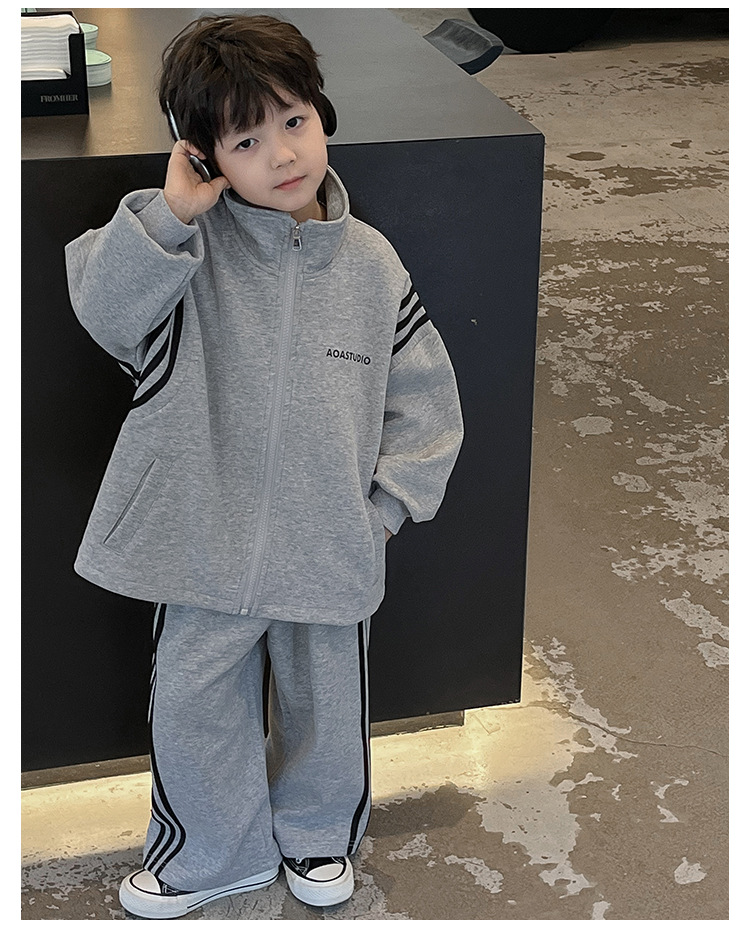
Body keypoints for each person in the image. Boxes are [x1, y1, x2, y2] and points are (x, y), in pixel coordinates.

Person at [65, 13, 463, 920]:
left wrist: (385, 509)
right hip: (200, 540)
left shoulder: (371, 264)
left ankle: (318, 836)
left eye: (294, 121)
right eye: (245, 140)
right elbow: (104, 309)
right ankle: (212, 855)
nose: (282, 154)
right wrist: (172, 212)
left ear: (322, 114)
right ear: (202, 154)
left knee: (329, 706)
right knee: (192, 704)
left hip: (331, 541)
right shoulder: (183, 250)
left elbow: (426, 400)